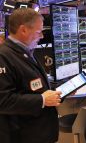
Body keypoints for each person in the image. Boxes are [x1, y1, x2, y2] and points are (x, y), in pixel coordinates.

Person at [0, 8, 61, 143]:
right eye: (39, 32)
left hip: (39, 132)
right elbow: (3, 100)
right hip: (23, 135)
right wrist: (42, 100)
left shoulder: (25, 51)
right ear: (23, 30)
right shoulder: (3, 56)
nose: (42, 37)